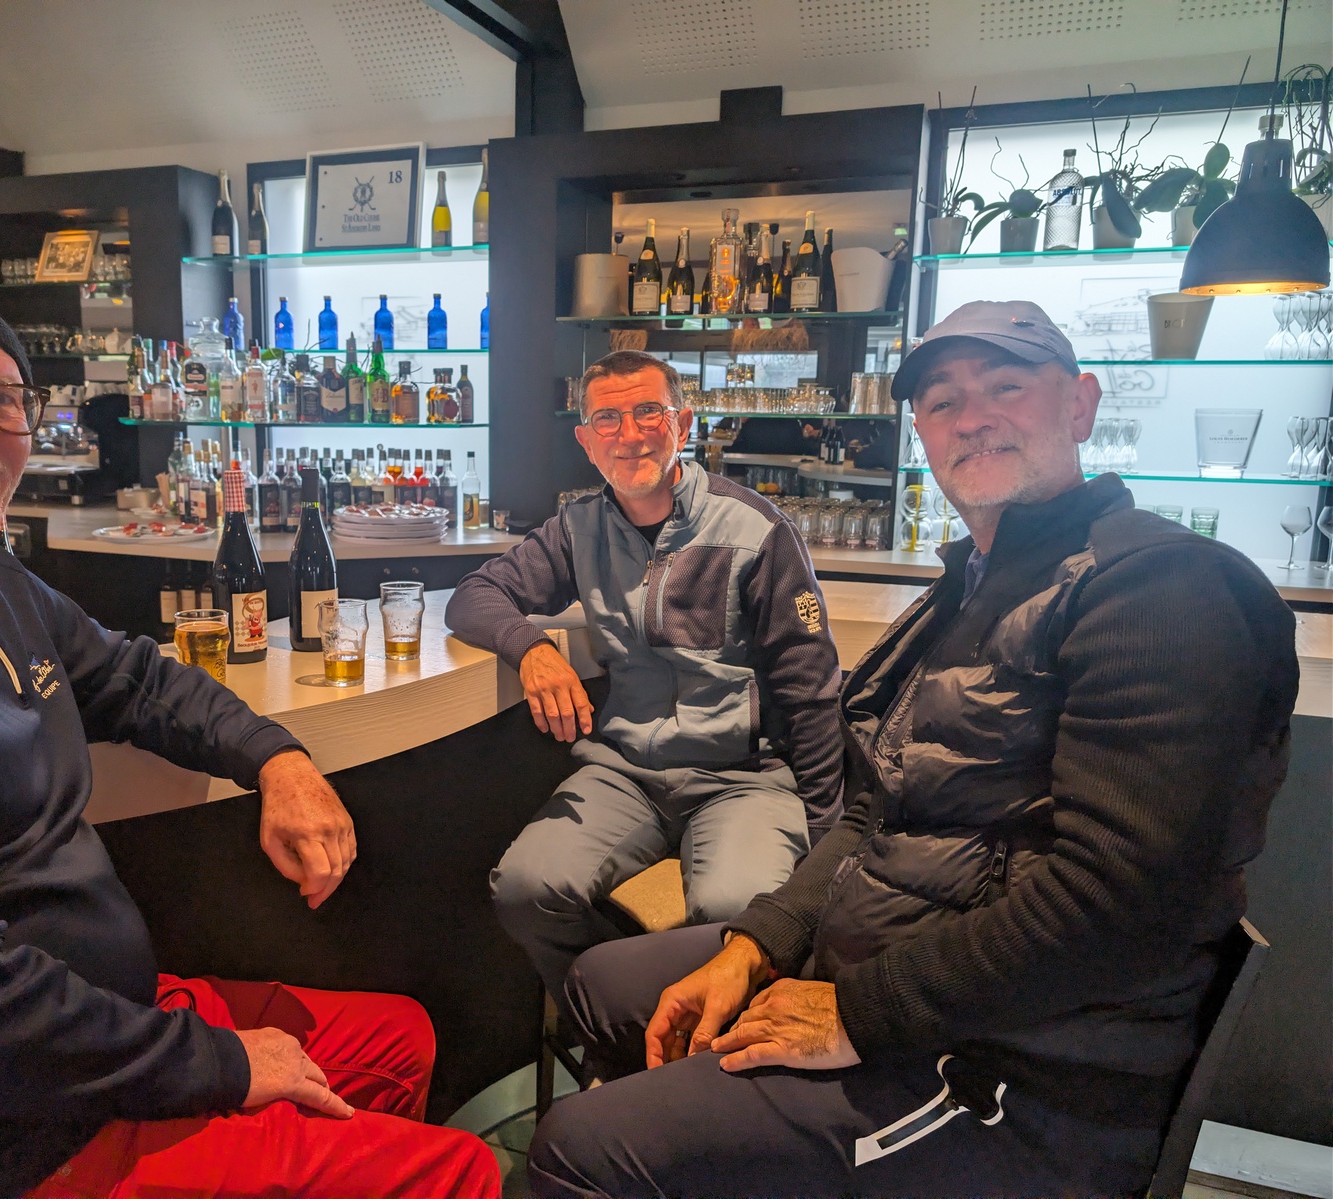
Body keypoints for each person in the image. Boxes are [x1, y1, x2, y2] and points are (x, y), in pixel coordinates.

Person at [0, 273, 499, 1199]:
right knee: (457, 1170)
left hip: (97, 1030)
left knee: (396, 1042)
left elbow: (135, 676)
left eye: (7, 399)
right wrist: (213, 1062)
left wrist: (277, 757)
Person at [526, 301, 1300, 1197]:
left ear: (1081, 405)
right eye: (941, 402)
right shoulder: (970, 587)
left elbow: (1118, 898)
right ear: (922, 434)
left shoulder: (1164, 589)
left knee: (578, 1145)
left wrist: (857, 1012)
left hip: (1015, 1071)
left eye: (1005, 386)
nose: (971, 417)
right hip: (908, 977)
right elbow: (872, 814)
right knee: (601, 982)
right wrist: (761, 943)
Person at [446, 349, 843, 998]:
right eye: (608, 419)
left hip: (744, 778)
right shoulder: (578, 528)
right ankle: (617, 1023)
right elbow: (474, 596)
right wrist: (532, 649)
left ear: (682, 424)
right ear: (586, 441)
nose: (628, 434)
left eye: (648, 412)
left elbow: (812, 692)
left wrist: (825, 849)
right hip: (624, 772)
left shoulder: (756, 529)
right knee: (525, 888)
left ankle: (697, 1048)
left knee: (735, 916)